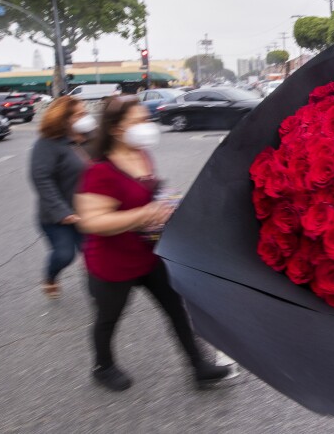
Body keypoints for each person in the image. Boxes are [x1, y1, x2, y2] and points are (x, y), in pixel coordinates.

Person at [74, 95, 233, 391]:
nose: (146, 126)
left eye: (146, 119)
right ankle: (103, 366)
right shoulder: (99, 171)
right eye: (137, 122)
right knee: (108, 319)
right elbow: (92, 221)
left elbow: (147, 190)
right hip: (112, 263)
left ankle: (199, 366)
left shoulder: (141, 153)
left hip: (149, 255)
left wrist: (166, 200)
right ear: (116, 129)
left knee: (176, 309)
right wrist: (142, 214)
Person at [30, 95, 96, 299]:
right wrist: (62, 212)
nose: (85, 117)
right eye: (80, 114)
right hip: (56, 216)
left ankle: (99, 294)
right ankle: (50, 277)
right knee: (64, 255)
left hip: (87, 213)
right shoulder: (48, 144)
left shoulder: (90, 139)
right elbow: (41, 179)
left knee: (93, 254)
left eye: (85, 113)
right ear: (65, 119)